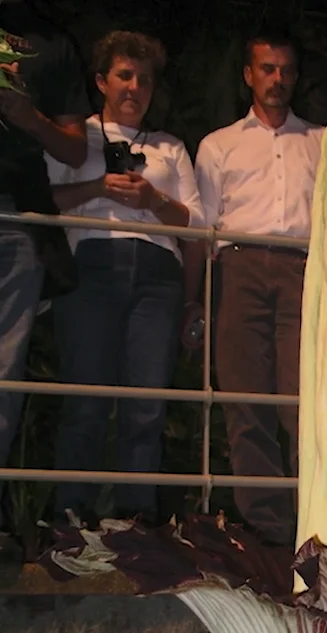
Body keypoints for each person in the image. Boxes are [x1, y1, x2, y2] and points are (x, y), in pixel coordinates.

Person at [184, 26, 327, 547]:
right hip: (238, 267)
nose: (277, 79)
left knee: (308, 401)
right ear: (248, 74)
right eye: (267, 69)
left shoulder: (322, 141)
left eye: (286, 70)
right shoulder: (218, 144)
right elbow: (202, 228)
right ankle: (265, 533)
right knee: (245, 404)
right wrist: (196, 300)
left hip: (304, 272)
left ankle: (315, 529)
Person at [45, 30, 204, 524]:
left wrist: (152, 200)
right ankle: (70, 519)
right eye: (124, 76)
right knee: (86, 401)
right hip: (92, 266)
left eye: (145, 80)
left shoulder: (170, 147)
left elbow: (197, 226)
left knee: (146, 405)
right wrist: (100, 187)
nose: (135, 88)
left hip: (158, 277)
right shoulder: (75, 137)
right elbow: (44, 200)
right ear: (101, 81)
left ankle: (136, 523)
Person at [0, 0, 90, 548]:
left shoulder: (49, 42)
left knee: (1, 372)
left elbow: (75, 149)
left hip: (14, 212)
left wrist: (27, 116)